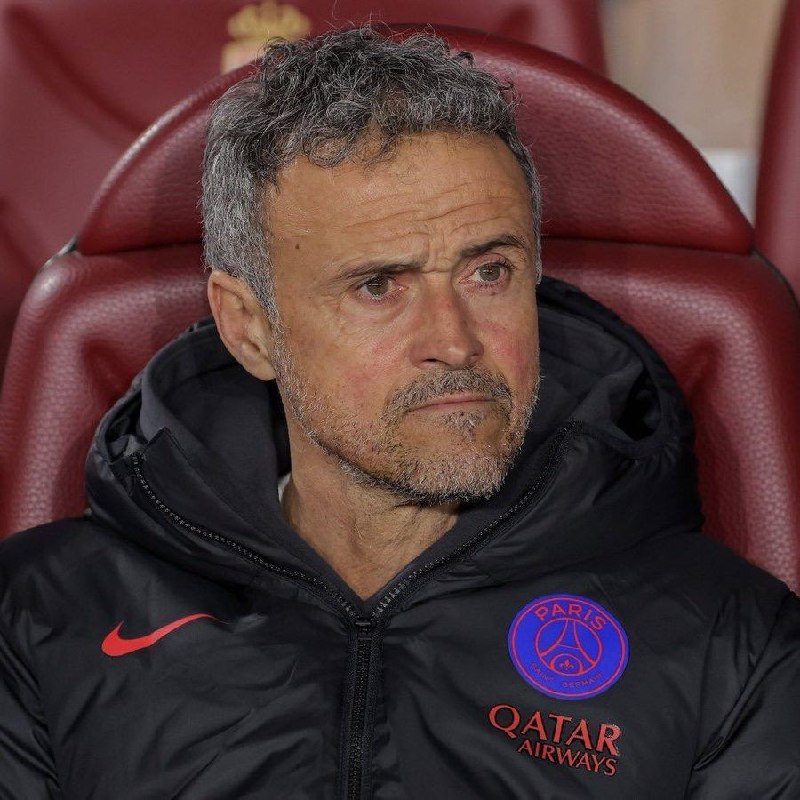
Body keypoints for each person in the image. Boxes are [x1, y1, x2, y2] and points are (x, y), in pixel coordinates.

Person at [1, 27, 799, 798]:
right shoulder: (37, 618)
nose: (454, 342)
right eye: (379, 286)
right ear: (248, 328)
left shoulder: (731, 641)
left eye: (489, 273)